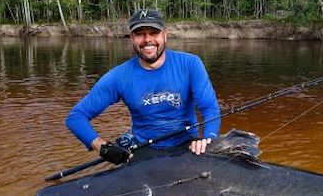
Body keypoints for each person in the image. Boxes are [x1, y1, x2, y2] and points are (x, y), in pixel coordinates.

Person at [66, 9, 220, 165]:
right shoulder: (118, 76)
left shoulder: (191, 64)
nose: (148, 40)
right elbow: (76, 117)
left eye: (154, 33)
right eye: (140, 34)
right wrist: (103, 147)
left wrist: (207, 139)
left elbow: (209, 108)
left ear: (165, 34)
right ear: (132, 37)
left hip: (188, 144)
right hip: (145, 149)